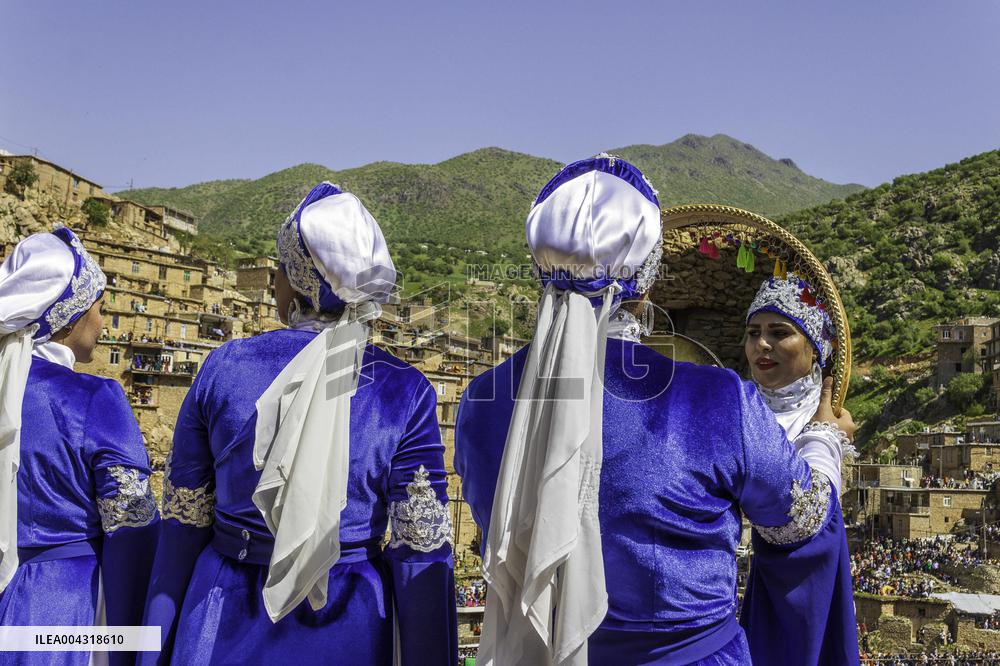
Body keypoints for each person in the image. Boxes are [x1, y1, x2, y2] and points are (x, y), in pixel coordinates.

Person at [454, 155, 857, 665]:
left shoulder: (480, 401)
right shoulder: (716, 398)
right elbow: (804, 518)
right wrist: (825, 440)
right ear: (644, 285)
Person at [141, 183, 457, 665]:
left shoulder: (225, 368)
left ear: (299, 282)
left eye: (281, 270)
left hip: (223, 610)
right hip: (349, 622)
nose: (274, 283)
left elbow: (184, 525)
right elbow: (421, 554)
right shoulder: (404, 390)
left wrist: (151, 652)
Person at [0, 227, 159, 665]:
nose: (102, 323)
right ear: (70, 316)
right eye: (100, 309)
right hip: (60, 608)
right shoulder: (94, 398)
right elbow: (132, 530)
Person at [739, 273, 860, 665]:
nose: (762, 344)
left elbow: (816, 521)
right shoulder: (730, 409)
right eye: (753, 332)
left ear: (815, 347)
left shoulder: (831, 427)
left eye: (779, 331)